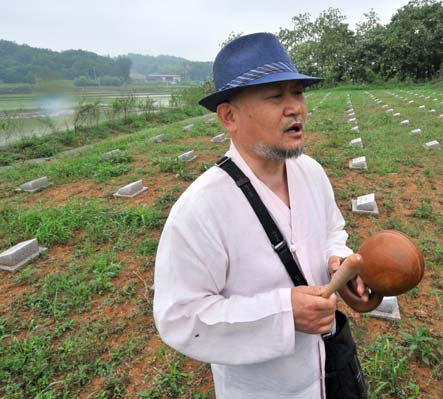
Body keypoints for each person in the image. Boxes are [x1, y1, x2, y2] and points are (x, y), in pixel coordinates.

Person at [153, 32, 366, 399]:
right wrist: (284, 314)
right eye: (275, 96)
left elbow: (333, 230)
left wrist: (338, 262)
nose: (294, 107)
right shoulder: (200, 209)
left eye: (297, 92)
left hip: (331, 371)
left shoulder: (311, 172)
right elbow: (181, 316)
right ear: (229, 116)